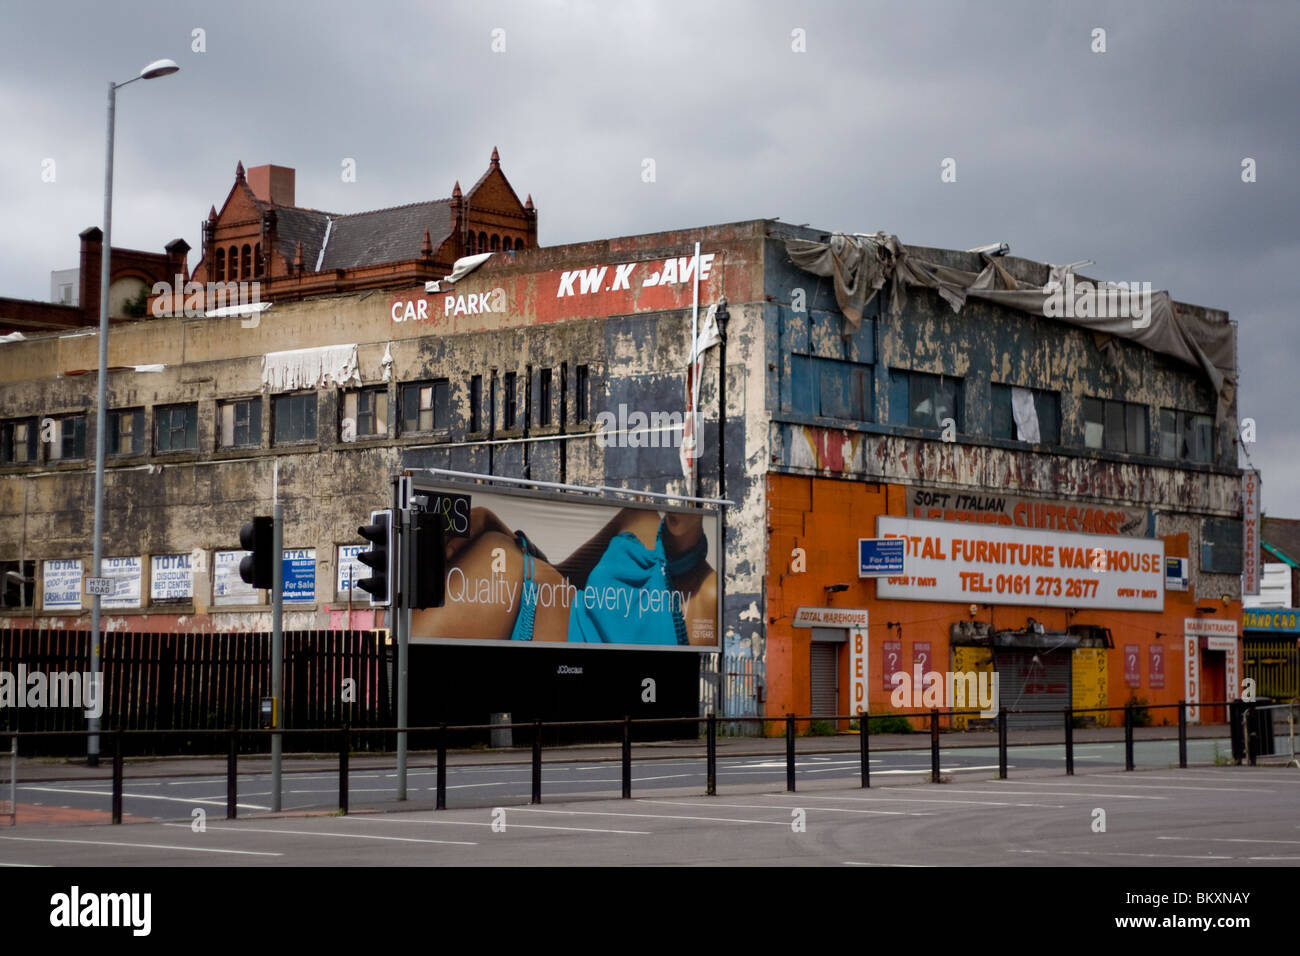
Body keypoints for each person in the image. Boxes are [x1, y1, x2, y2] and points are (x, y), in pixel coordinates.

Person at [411, 505, 717, 646]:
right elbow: (561, 576)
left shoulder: (709, 594)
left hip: (522, 634)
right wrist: (493, 521)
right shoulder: (640, 518)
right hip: (508, 585)